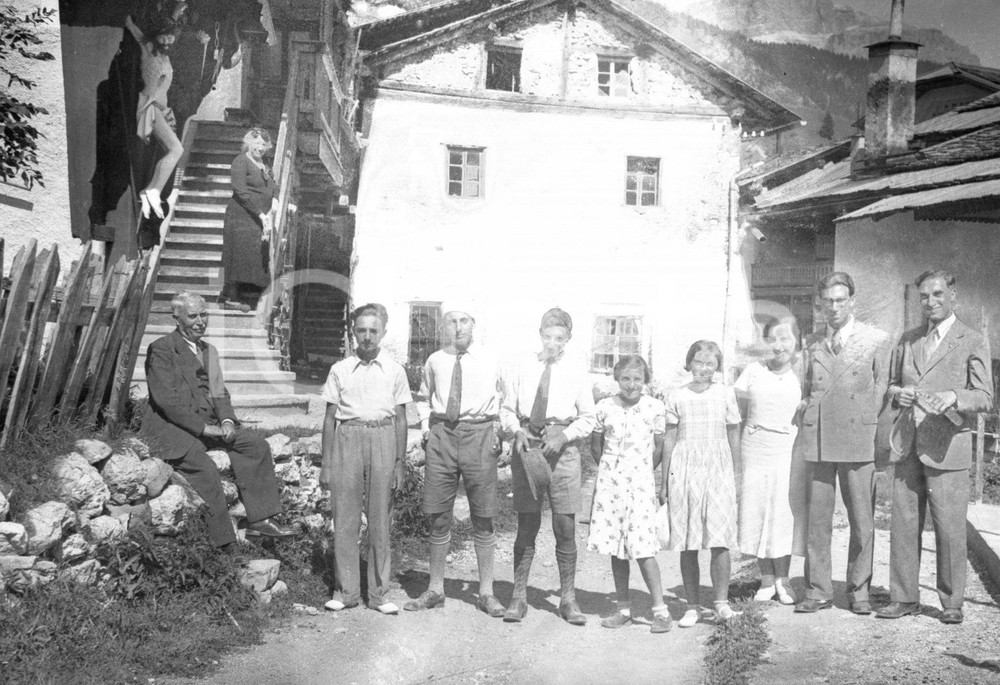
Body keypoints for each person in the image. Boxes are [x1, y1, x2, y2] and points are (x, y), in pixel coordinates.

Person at [877, 270, 993, 625]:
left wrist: (954, 396)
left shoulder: (972, 340)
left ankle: (951, 601)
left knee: (949, 526)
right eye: (925, 296)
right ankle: (904, 597)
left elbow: (985, 396)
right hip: (909, 443)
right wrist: (900, 393)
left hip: (948, 447)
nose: (931, 302)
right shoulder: (908, 338)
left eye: (938, 294)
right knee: (904, 522)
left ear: (953, 296)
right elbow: (891, 385)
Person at [140, 291, 296, 549]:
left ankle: (260, 521)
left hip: (209, 426)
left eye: (204, 315)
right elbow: (167, 401)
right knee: (206, 470)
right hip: (173, 428)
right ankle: (223, 545)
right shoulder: (162, 349)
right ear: (177, 318)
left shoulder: (208, 351)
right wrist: (204, 428)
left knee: (256, 447)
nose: (201, 321)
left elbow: (219, 392)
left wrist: (225, 421)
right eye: (193, 316)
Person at [794, 271, 891, 615]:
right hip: (819, 438)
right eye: (827, 302)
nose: (833, 308)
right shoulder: (811, 343)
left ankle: (859, 591)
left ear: (852, 301)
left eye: (840, 300)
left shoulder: (875, 340)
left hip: (858, 436)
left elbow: (882, 389)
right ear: (820, 305)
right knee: (818, 519)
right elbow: (806, 389)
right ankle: (818, 589)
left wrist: (875, 432)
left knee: (862, 519)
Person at [405, 303, 506, 617]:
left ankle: (486, 592)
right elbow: (424, 396)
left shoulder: (491, 360)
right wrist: (425, 429)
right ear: (445, 327)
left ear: (473, 325)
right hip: (442, 436)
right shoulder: (435, 360)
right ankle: (435, 589)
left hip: (479, 435)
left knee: (484, 516)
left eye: (464, 321)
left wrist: (498, 430)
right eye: (452, 322)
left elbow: (505, 398)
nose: (458, 327)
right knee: (437, 515)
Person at [499, 308, 596, 625]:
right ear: (539, 333)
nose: (552, 342)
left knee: (565, 526)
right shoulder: (522, 365)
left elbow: (588, 417)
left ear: (568, 339)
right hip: (529, 446)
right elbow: (508, 409)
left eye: (560, 337)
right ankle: (518, 597)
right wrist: (516, 432)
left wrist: (565, 436)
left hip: (563, 450)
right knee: (527, 523)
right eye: (547, 335)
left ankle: (568, 598)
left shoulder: (577, 370)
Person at [319, 303, 412, 615]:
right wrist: (327, 464)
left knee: (379, 519)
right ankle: (345, 591)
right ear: (353, 332)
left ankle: (378, 593)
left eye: (374, 330)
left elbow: (401, 419)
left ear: (383, 332)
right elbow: (330, 418)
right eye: (361, 330)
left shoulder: (395, 371)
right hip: (348, 438)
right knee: (344, 516)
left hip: (383, 438)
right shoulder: (340, 369)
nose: (368, 336)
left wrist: (400, 461)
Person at [587, 355, 672, 633]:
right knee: (616, 546)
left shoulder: (655, 408)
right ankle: (623, 607)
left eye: (637, 379)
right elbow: (596, 446)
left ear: (645, 380)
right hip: (610, 482)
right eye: (625, 379)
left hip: (640, 481)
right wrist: (611, 470)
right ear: (617, 379)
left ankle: (660, 611)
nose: (631, 384)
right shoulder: (604, 407)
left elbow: (659, 448)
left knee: (643, 546)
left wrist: (642, 472)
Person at [661, 340, 742, 626]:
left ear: (717, 367)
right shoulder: (677, 395)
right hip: (684, 469)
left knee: (720, 540)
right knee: (688, 542)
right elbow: (669, 437)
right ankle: (692, 606)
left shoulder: (725, 393)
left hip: (718, 468)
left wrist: (737, 475)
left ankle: (721, 603)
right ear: (689, 363)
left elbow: (734, 435)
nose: (704, 369)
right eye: (698, 362)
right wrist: (665, 481)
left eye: (710, 364)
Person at [735, 318, 804, 605]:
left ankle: (783, 579)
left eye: (785, 339)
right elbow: (738, 410)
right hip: (754, 444)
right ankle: (765, 578)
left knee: (782, 511)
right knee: (756, 509)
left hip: (787, 446)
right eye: (772, 340)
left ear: (796, 342)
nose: (778, 346)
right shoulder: (752, 371)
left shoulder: (803, 374)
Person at [125, 11, 185, 220]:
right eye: (164, 36)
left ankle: (151, 189)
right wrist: (129, 21)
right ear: (155, 36)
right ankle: (153, 190)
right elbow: (136, 32)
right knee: (176, 149)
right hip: (150, 106)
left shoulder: (164, 54)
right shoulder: (149, 49)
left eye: (171, 36)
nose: (168, 41)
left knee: (171, 150)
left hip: (159, 108)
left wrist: (167, 110)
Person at [221, 128, 278, 312]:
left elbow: (274, 186)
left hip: (260, 217)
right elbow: (240, 190)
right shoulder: (241, 161)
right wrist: (261, 214)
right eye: (257, 144)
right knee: (239, 253)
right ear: (248, 143)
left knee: (255, 254)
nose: (260, 148)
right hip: (242, 215)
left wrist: (275, 202)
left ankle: (253, 297)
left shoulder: (265, 165)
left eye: (264, 144)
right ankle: (231, 296)